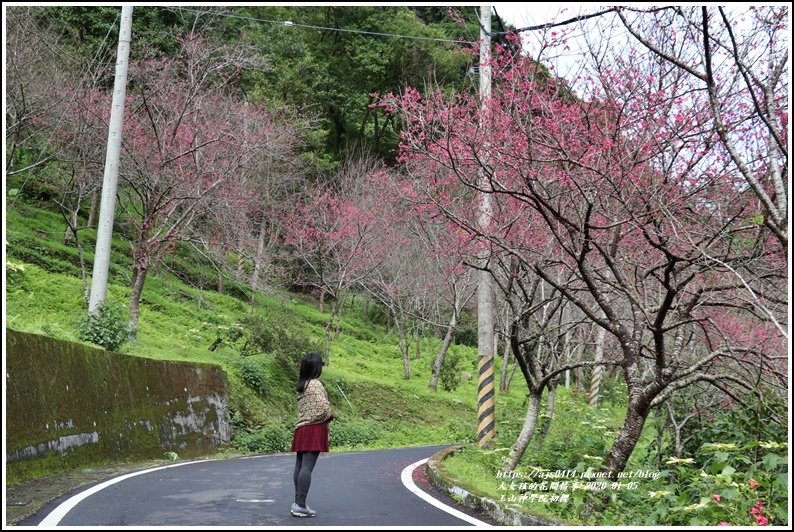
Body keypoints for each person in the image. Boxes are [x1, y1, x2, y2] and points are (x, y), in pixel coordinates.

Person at [290, 352, 333, 518]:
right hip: (313, 428)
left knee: (300, 466)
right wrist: (330, 415)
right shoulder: (315, 384)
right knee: (307, 467)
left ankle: (298, 503)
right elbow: (323, 408)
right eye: (320, 365)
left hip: (301, 428)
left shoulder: (303, 384)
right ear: (316, 367)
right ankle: (300, 504)